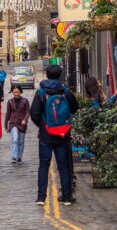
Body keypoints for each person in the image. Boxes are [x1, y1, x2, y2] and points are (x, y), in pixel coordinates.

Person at [31, 64, 80, 206]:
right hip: (62, 135)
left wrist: (43, 125)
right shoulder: (65, 91)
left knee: (43, 166)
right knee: (63, 167)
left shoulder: (41, 92)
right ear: (60, 75)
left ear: (47, 75)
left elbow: (34, 113)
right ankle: (66, 197)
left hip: (46, 136)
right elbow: (75, 107)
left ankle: (41, 198)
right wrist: (65, 122)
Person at [5, 86, 30, 164]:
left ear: (20, 92)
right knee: (15, 139)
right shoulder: (10, 102)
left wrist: (25, 120)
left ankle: (19, 157)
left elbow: (28, 112)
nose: (16, 94)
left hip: (22, 124)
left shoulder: (25, 101)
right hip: (13, 123)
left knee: (21, 141)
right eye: (14, 92)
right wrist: (6, 124)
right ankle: (14, 156)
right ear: (12, 92)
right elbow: (8, 113)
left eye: (17, 92)